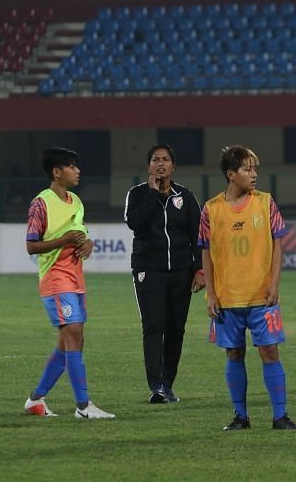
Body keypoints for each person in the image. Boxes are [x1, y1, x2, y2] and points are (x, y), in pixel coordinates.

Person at [198, 145, 296, 430]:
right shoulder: (211, 209)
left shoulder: (266, 202)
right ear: (231, 175)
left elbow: (278, 243)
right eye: (247, 169)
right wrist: (212, 294)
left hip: (261, 296)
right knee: (234, 354)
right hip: (227, 298)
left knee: (270, 352)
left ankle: (280, 416)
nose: (254, 174)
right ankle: (240, 416)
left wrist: (274, 282)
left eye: (254, 169)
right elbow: (206, 252)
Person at [23, 147, 115, 420]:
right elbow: (31, 246)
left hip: (75, 277)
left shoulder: (75, 200)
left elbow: (81, 230)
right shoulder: (41, 203)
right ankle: (83, 406)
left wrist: (87, 242)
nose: (77, 171)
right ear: (57, 171)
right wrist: (63, 241)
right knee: (72, 333)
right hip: (55, 277)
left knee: (72, 341)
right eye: (72, 166)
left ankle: (35, 399)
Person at [124, 143, 205, 404]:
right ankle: (156, 385)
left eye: (166, 159)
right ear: (148, 166)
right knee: (153, 326)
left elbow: (197, 237)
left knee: (176, 329)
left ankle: (168, 383)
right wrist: (152, 194)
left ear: (173, 165)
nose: (161, 164)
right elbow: (136, 223)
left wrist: (200, 270)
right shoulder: (137, 194)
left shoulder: (186, 196)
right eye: (156, 160)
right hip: (149, 270)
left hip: (181, 272)